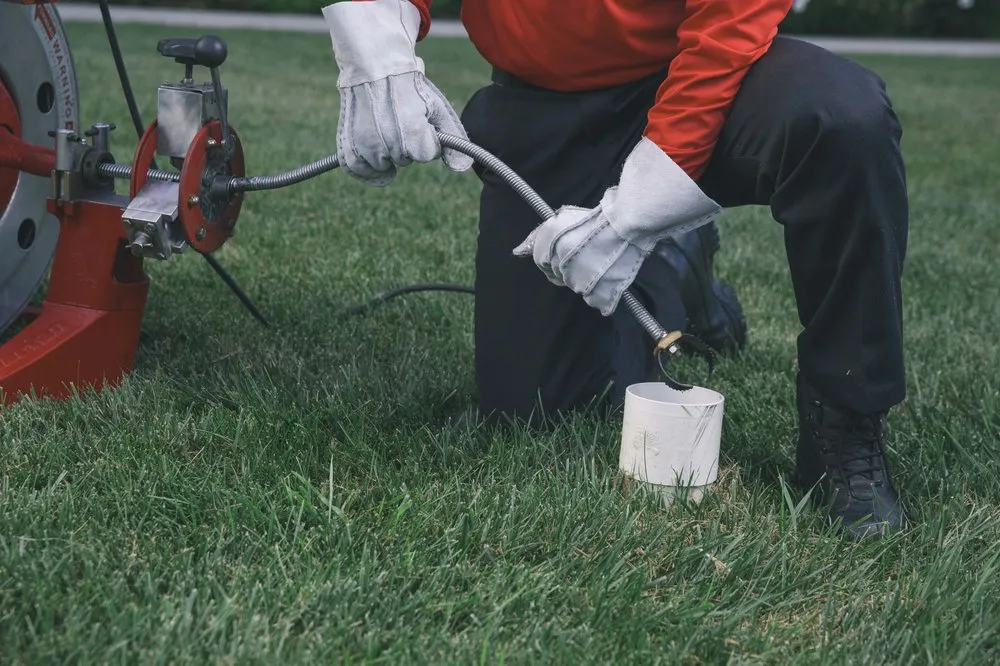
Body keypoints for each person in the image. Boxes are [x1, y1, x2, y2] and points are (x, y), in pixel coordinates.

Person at [321, 0, 909, 538]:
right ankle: (680, 263)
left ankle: (845, 423)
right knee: (533, 415)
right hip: (543, 102)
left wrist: (641, 208)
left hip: (696, 76)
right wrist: (374, 54)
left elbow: (731, 19)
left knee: (841, 117)